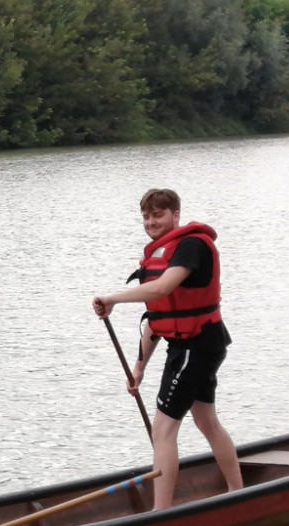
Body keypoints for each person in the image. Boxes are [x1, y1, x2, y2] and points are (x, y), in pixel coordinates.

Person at [92, 188, 243, 509]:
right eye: (146, 216)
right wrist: (139, 366)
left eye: (158, 215)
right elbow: (159, 316)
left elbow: (163, 287)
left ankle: (161, 513)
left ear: (176, 214)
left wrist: (112, 298)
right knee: (206, 421)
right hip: (195, 344)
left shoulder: (190, 246)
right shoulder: (161, 253)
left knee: (162, 430)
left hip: (196, 344)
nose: (151, 222)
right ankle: (237, 491)